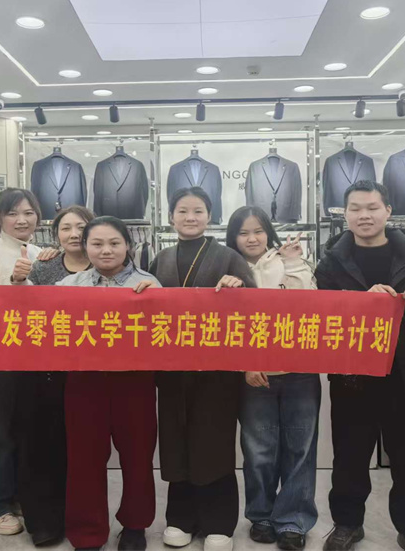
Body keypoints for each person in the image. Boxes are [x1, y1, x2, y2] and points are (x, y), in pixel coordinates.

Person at [314, 180, 405, 551]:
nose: (364, 215)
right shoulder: (330, 263)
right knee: (349, 459)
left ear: (388, 211)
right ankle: (347, 524)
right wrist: (361, 302)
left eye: (372, 207)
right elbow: (321, 315)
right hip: (353, 379)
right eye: (356, 208)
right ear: (345, 214)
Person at [150, 187, 257, 551]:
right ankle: (181, 518)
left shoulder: (228, 258)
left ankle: (219, 523)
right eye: (182, 211)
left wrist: (238, 288)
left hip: (217, 374)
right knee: (176, 444)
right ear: (171, 217)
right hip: (172, 372)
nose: (190, 217)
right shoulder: (161, 258)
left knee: (213, 445)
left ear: (210, 217)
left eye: (198, 210)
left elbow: (256, 309)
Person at [0, 188, 65, 546]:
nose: (22, 220)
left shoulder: (41, 255)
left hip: (34, 361)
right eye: (13, 213)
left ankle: (16, 496)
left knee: (24, 432)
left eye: (28, 212)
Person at [48, 216, 161, 551]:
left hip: (135, 383)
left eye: (114, 243)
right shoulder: (69, 286)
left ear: (128, 245)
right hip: (84, 383)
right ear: (85, 247)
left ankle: (136, 525)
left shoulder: (149, 283)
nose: (106, 250)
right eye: (97, 244)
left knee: (138, 456)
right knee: (84, 459)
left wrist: (156, 301)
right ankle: (87, 532)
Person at [225, 206, 319, 551]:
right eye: (243, 232)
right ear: (233, 237)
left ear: (268, 232)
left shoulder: (290, 261)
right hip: (253, 376)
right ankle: (261, 515)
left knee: (300, 448)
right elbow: (224, 327)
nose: (252, 238)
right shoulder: (228, 268)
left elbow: (309, 306)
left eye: (258, 231)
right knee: (259, 451)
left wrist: (293, 263)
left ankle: (293, 520)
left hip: (299, 370)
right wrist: (246, 364)